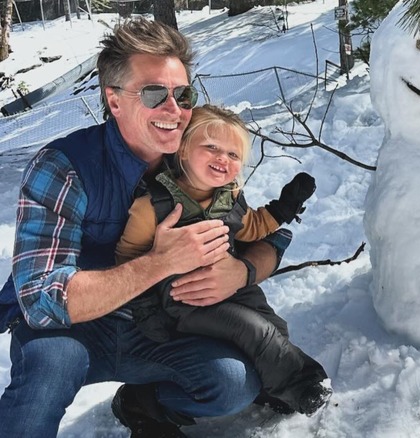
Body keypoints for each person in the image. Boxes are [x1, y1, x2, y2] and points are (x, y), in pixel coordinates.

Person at [0, 18, 288, 437]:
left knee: (232, 382)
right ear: (114, 101)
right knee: (49, 374)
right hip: (72, 329)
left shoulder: (195, 157)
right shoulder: (64, 167)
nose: (174, 110)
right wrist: (159, 262)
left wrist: (241, 272)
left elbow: (265, 233)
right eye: (154, 93)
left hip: (159, 324)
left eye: (183, 93)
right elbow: (41, 301)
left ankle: (144, 403)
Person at [116, 104, 330, 416]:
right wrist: (147, 310)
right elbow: (128, 259)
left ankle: (264, 387)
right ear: (185, 149)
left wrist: (283, 208)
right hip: (184, 298)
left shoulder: (227, 197)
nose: (223, 159)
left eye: (233, 155)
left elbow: (251, 227)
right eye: (212, 147)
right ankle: (304, 385)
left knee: (274, 327)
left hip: (232, 286)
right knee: (252, 331)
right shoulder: (153, 206)